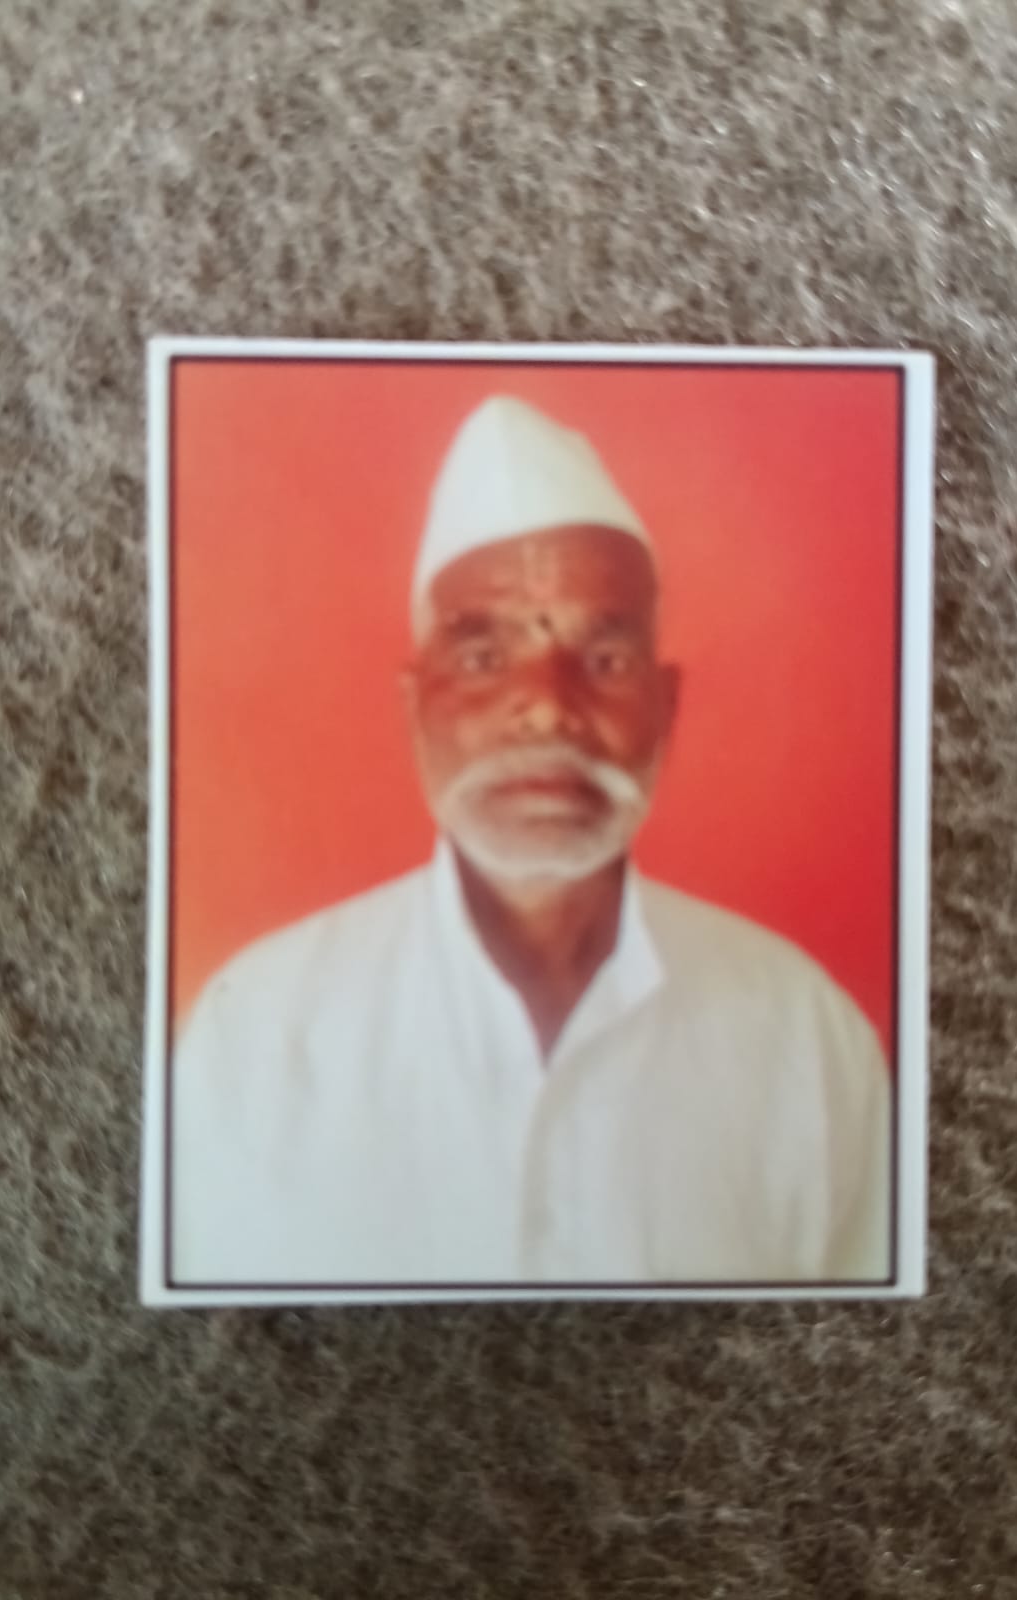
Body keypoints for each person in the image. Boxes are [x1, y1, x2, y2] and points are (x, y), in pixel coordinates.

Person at [172, 396, 890, 1286]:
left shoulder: (808, 1041)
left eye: (604, 660)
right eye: (483, 658)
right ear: (416, 709)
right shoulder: (253, 1036)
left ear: (667, 708)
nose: (549, 707)